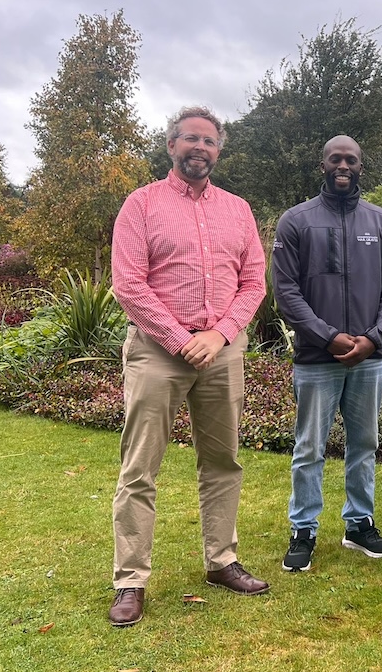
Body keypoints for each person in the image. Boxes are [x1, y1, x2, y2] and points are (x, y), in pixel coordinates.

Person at [108, 106, 268, 628]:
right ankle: (130, 580)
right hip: (158, 350)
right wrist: (182, 339)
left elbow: (253, 283)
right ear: (172, 145)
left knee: (223, 461)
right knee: (140, 468)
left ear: (219, 150)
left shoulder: (238, 210)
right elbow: (129, 285)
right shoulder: (142, 204)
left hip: (221, 350)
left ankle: (222, 561)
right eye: (190, 139)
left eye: (210, 141)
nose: (200, 147)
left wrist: (218, 335)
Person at [271, 136, 382, 571]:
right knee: (310, 447)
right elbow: (286, 291)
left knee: (364, 443)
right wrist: (327, 336)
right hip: (317, 359)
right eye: (335, 158)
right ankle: (303, 529)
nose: (342, 165)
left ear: (361, 166)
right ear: (322, 164)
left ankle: (359, 524)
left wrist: (372, 337)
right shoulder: (296, 221)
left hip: (369, 358)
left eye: (350, 159)